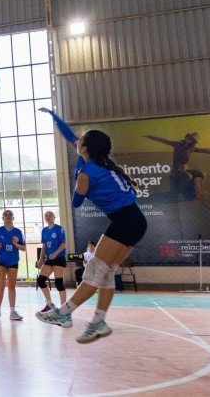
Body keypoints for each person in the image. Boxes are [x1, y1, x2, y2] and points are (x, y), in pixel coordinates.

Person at [36, 108, 147, 343]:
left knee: (94, 269)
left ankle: (63, 313)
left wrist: (78, 179)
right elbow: (69, 135)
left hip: (125, 221)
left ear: (84, 148)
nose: (77, 140)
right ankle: (98, 321)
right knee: (105, 272)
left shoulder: (86, 171)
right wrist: (53, 116)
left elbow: (76, 202)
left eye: (81, 139)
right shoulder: (100, 163)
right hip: (134, 221)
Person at [144, 132, 210, 200]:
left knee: (201, 174)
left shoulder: (191, 148)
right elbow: (164, 140)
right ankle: (178, 192)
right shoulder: (177, 144)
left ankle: (199, 191)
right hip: (176, 170)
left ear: (193, 141)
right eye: (188, 137)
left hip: (185, 169)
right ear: (186, 137)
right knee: (187, 176)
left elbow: (203, 150)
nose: (188, 139)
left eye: (191, 139)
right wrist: (151, 136)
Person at [0, 210, 25, 321]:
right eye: (6, 215)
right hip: (0, 260)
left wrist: (16, 244)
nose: (8, 216)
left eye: (10, 214)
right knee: (1, 285)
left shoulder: (18, 232)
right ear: (3, 218)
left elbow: (24, 248)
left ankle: (12, 312)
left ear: (13, 217)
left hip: (13, 261)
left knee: (11, 286)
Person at [37, 211, 68, 313]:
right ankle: (49, 304)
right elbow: (44, 246)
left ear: (54, 217)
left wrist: (55, 253)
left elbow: (63, 244)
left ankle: (64, 308)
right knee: (40, 280)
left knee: (58, 283)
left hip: (59, 258)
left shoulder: (58, 229)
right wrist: (41, 259)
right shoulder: (44, 231)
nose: (48, 217)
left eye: (50, 215)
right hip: (49, 260)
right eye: (46, 216)